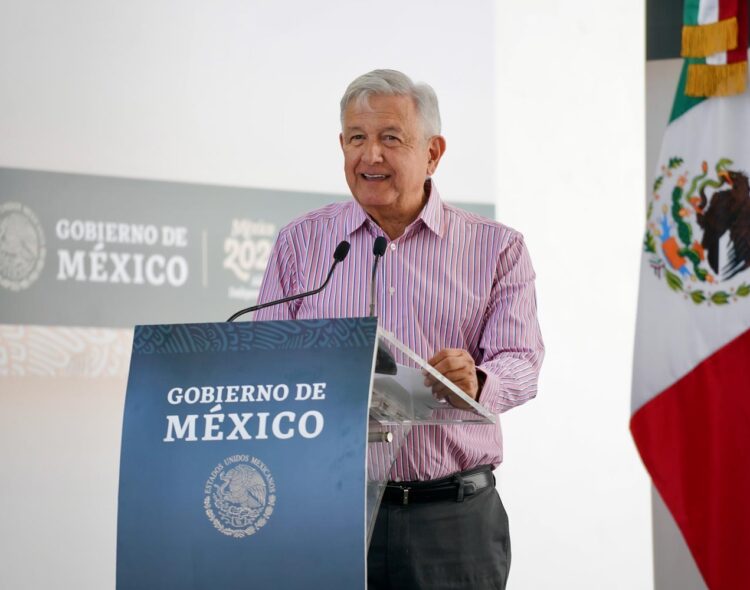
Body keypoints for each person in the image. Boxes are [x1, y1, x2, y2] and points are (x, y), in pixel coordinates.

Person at [255, 69, 544, 589]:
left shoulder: (496, 248)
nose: (370, 156)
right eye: (357, 139)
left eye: (391, 138)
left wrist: (476, 379)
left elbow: (521, 361)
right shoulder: (302, 244)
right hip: (329, 513)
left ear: (433, 152)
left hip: (451, 522)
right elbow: (267, 366)